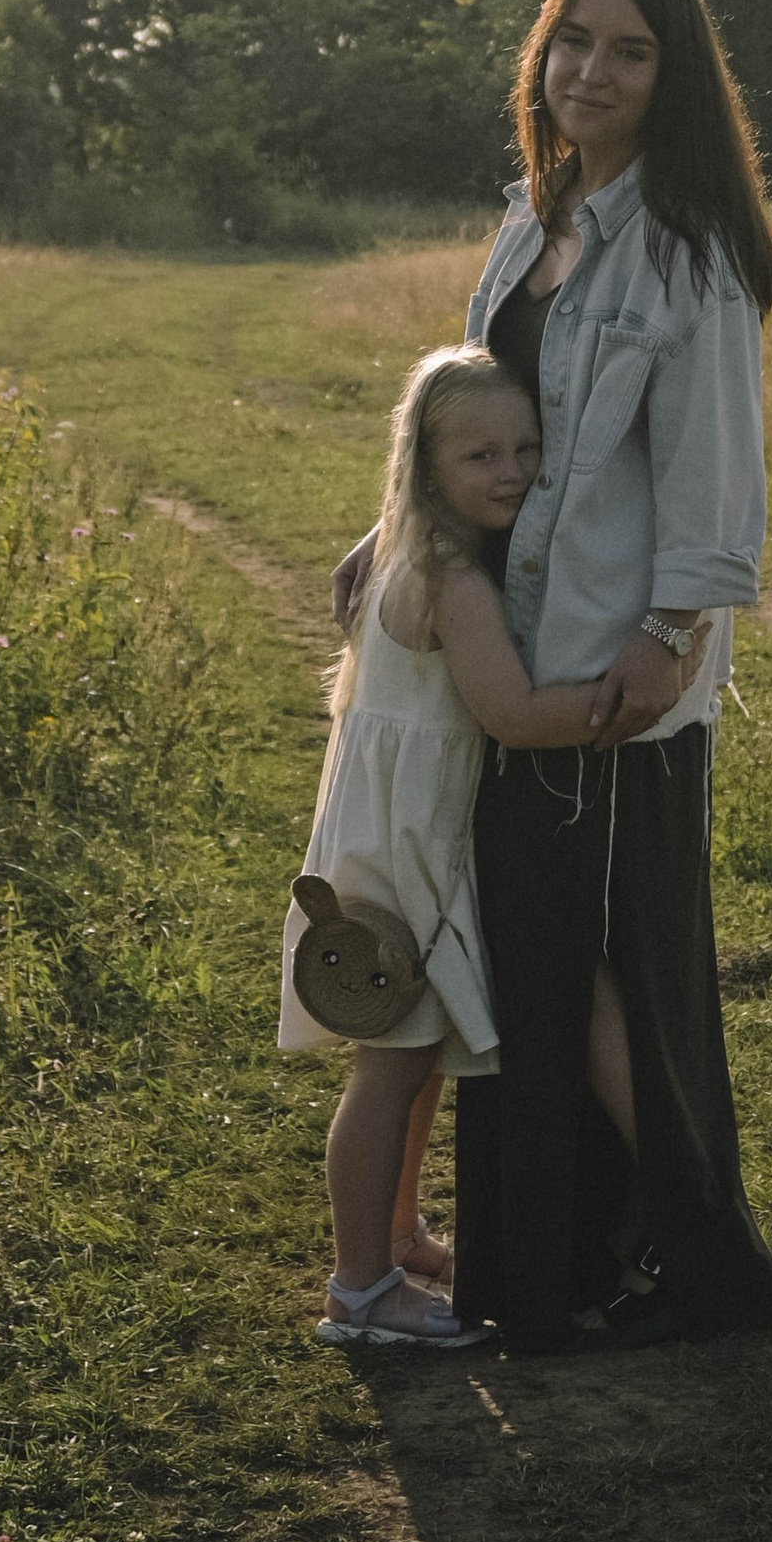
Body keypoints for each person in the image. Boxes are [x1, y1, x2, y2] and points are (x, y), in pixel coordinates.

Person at [451, 0, 772, 1354]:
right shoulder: (533, 222)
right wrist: (402, 537)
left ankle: (710, 1266)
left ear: (674, 78)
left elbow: (715, 476)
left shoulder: (686, 249)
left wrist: (667, 634)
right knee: (526, 958)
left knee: (608, 970)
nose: (591, 70)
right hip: (513, 658)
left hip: (608, 667)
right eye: (574, 40)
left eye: (630, 49)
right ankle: (565, 1260)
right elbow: (479, 419)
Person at [285, 343, 661, 1349]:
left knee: (415, 1057)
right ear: (424, 469)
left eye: (525, 448)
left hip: (381, 831)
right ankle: (358, 1290)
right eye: (479, 455)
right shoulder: (453, 579)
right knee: (390, 1064)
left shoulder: (403, 551)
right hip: (405, 849)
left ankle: (400, 1235)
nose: (508, 471)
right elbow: (512, 713)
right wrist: (630, 695)